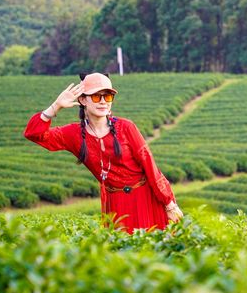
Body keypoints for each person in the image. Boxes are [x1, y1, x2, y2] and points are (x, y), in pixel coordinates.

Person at [23, 72, 183, 233]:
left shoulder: (126, 127)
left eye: (107, 97)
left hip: (145, 199)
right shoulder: (74, 134)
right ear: (83, 100)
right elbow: (34, 134)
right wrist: (55, 106)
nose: (102, 102)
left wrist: (169, 204)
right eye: (96, 97)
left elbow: (150, 167)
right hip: (115, 203)